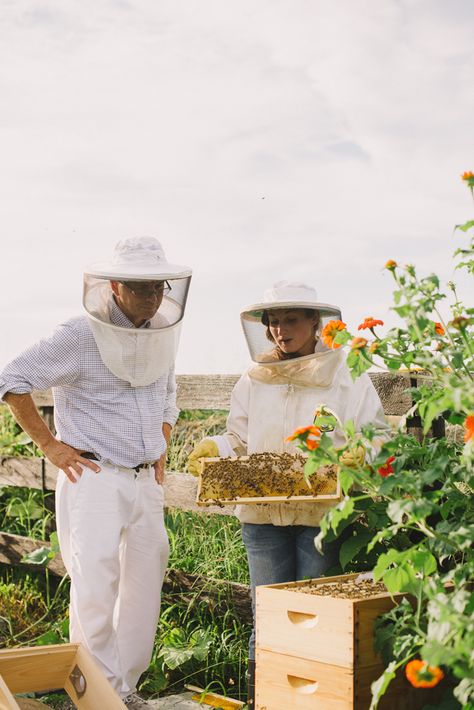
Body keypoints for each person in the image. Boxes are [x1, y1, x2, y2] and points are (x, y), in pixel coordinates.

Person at [0, 237, 192, 709]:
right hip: (94, 476)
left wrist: (161, 441)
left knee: (145, 583)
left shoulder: (160, 333)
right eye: (141, 288)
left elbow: (168, 394)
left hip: (146, 480)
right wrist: (50, 447)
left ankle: (124, 689)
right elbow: (11, 379)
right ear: (114, 286)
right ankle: (96, 693)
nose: (152, 298)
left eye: (158, 288)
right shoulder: (78, 335)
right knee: (95, 585)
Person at [187, 281, 390, 706]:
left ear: (316, 323)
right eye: (273, 322)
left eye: (290, 320)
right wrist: (216, 448)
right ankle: (267, 700)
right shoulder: (254, 378)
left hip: (321, 518)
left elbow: (377, 436)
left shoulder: (346, 375)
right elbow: (238, 440)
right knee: (269, 618)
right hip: (262, 519)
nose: (280, 330)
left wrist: (360, 452)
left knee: (319, 619)